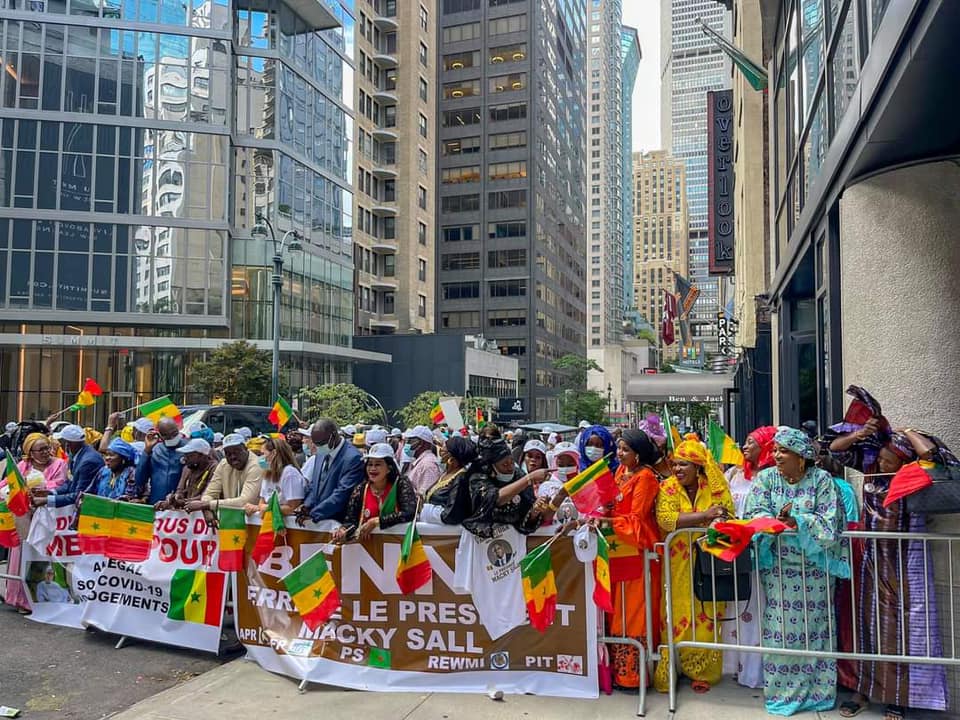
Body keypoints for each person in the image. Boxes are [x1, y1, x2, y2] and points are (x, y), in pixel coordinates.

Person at [837, 430, 948, 720]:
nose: (883, 465)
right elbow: (836, 450)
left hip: (906, 562)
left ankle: (897, 697)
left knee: (901, 632)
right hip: (871, 559)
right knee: (866, 627)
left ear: (903, 462)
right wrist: (862, 432)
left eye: (890, 461)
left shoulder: (916, 475)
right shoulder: (872, 470)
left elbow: (932, 458)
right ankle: (862, 691)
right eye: (882, 459)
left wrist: (909, 433)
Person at [742, 427, 849, 716]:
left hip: (814, 573)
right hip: (778, 572)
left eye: (783, 450)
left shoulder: (822, 480)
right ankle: (781, 694)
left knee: (815, 632)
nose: (776, 455)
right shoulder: (766, 479)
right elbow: (752, 512)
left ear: (801, 457)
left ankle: (817, 694)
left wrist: (797, 521)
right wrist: (771, 522)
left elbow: (831, 521)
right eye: (775, 449)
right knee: (781, 633)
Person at [653, 438, 735, 694]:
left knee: (707, 613)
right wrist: (704, 516)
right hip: (677, 563)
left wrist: (711, 518)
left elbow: (726, 513)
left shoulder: (714, 487)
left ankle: (702, 672)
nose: (677, 469)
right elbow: (666, 520)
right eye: (675, 464)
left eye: (684, 464)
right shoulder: (667, 487)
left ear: (698, 467)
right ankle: (672, 670)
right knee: (674, 614)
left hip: (709, 560)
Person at [604, 429, 663, 689]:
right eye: (619, 448)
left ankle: (636, 676)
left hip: (640, 549)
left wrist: (606, 521)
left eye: (625, 449)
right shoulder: (619, 472)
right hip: (618, 547)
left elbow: (637, 519)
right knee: (617, 609)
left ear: (638, 453)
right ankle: (618, 673)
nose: (620, 453)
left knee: (637, 612)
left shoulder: (646, 477)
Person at [720, 425, 777, 689]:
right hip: (737, 551)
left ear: (766, 446)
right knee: (739, 606)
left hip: (763, 553)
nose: (745, 447)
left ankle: (760, 672)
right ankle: (738, 666)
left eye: (751, 442)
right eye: (745, 441)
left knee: (760, 607)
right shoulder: (733, 474)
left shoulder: (775, 477)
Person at [2, 433, 67, 612]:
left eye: (47, 448)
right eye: (41, 450)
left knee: (42, 555)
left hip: (47, 517)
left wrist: (42, 487)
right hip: (23, 518)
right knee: (21, 556)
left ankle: (43, 599)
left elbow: (62, 483)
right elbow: (7, 484)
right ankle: (20, 599)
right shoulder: (23, 466)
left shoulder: (59, 464)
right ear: (30, 453)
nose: (46, 452)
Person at [461, 437, 549, 538]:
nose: (510, 468)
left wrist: (534, 512)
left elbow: (524, 521)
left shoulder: (519, 475)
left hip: (510, 543)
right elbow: (493, 499)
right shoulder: (478, 475)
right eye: (504, 464)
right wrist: (528, 479)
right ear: (492, 465)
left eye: (512, 462)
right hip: (478, 539)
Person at [333, 444, 417, 542]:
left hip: (397, 546)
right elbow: (351, 521)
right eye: (370, 464)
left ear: (389, 468)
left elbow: (409, 513)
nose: (372, 468)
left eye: (378, 464)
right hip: (368, 549)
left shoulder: (401, 484)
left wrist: (376, 522)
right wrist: (343, 530)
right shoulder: (360, 489)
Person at [297, 418, 365, 524]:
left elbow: (342, 494)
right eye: (316, 443)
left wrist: (314, 513)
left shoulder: (353, 458)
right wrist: (306, 506)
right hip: (316, 523)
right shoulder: (320, 453)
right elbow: (315, 485)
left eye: (321, 443)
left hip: (337, 524)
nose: (318, 447)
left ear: (333, 435)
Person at [188, 433, 263, 517]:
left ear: (245, 449)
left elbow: (244, 501)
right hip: (231, 519)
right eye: (228, 454)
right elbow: (209, 494)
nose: (232, 457)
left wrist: (206, 505)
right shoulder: (224, 464)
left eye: (236, 452)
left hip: (254, 521)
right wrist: (206, 509)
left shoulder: (256, 466)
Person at [31, 425, 104, 508]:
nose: (58, 444)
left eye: (61, 441)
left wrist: (47, 500)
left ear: (69, 444)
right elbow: (70, 483)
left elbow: (80, 495)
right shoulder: (75, 455)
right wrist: (51, 492)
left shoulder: (88, 462)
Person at [422, 436, 477, 525]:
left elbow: (452, 515)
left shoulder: (460, 478)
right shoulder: (445, 473)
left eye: (444, 447)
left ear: (451, 457)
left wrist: (425, 511)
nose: (441, 450)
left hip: (445, 534)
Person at [248, 436, 305, 517]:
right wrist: (262, 508)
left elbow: (293, 507)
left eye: (263, 454)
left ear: (274, 453)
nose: (261, 458)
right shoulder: (268, 473)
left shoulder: (290, 473)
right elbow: (262, 503)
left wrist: (268, 508)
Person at [155, 438, 218, 510]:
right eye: (185, 455)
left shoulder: (214, 468)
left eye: (189, 456)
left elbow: (208, 496)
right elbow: (180, 490)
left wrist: (182, 502)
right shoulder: (187, 468)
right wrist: (173, 498)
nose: (185, 459)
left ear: (202, 455)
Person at [135, 418, 185, 505]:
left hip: (180, 504)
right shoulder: (155, 450)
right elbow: (140, 480)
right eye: (166, 435)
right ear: (159, 435)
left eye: (174, 433)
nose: (172, 437)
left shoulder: (188, 448)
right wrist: (147, 451)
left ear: (178, 429)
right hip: (156, 503)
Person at [401, 425, 443, 496]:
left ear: (422, 443)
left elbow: (426, 496)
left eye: (411, 441)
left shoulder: (428, 465)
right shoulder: (422, 462)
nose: (408, 444)